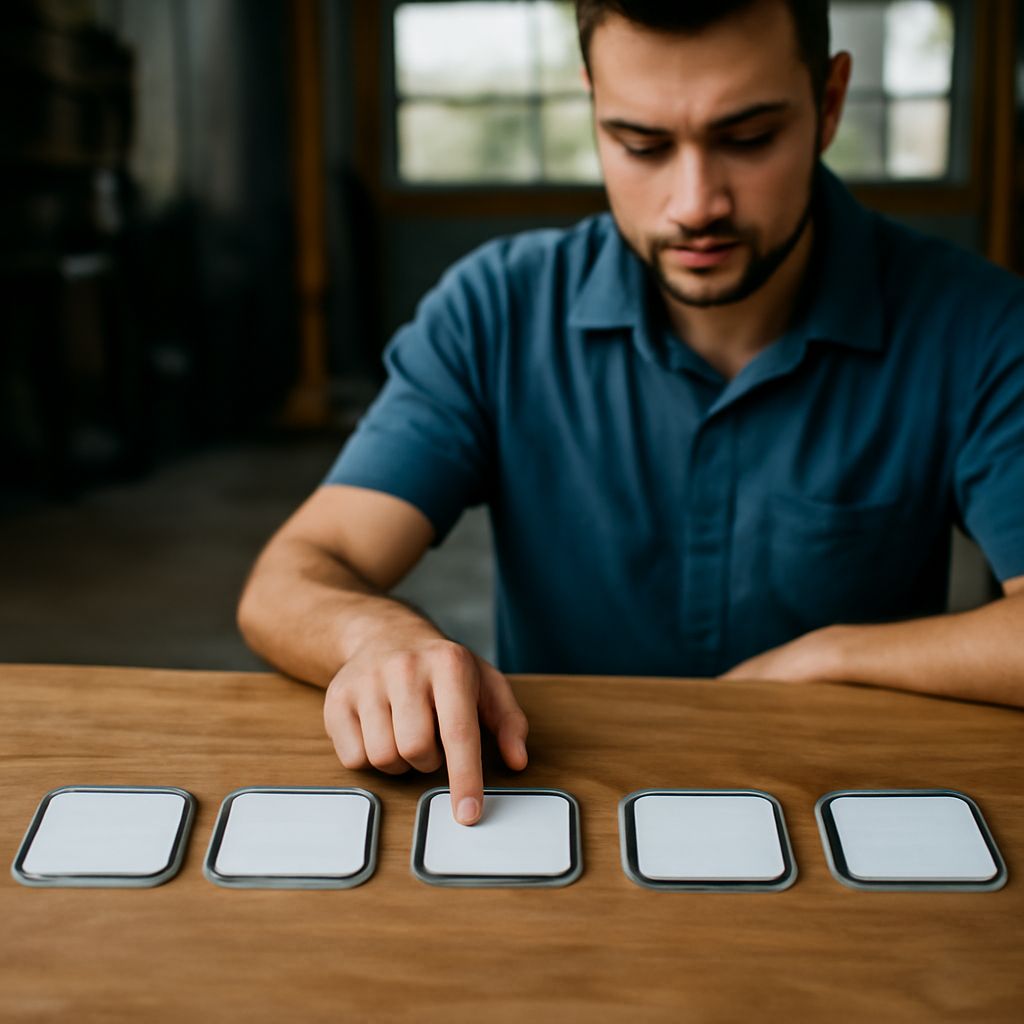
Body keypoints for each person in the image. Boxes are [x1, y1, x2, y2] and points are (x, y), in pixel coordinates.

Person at [238, 0, 1024, 826]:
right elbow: (294, 572)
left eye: (748, 139)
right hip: (558, 813)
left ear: (829, 104)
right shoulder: (495, 311)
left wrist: (836, 655)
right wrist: (374, 638)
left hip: (851, 811)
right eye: (641, 144)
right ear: (592, 105)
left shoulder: (980, 325)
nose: (695, 203)